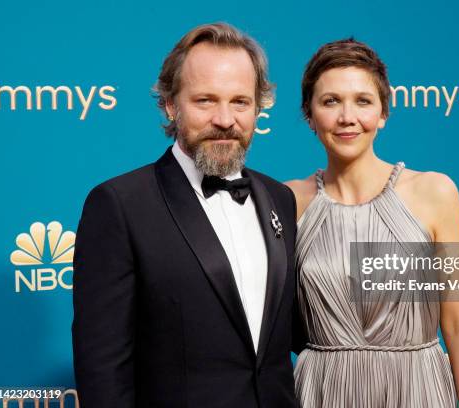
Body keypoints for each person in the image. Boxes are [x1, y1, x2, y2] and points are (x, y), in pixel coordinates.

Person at [72, 23, 299, 408]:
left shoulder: (280, 198)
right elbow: (102, 368)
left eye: (240, 101)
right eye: (205, 101)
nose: (225, 119)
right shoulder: (119, 205)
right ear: (171, 104)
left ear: (258, 107)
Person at [286, 39, 459, 407]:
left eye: (363, 101)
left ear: (383, 114)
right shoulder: (287, 202)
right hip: (323, 392)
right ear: (309, 115)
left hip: (417, 390)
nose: (348, 117)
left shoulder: (435, 192)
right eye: (331, 101)